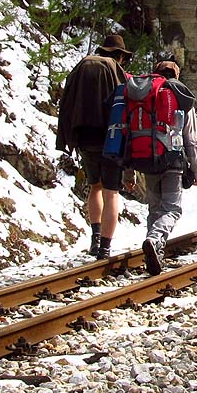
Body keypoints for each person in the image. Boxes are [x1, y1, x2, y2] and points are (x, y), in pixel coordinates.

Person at [56, 32, 132, 260]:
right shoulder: (114, 69)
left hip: (84, 137)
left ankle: (95, 237)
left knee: (95, 187)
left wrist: (69, 135)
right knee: (111, 192)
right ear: (119, 55)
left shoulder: (82, 65)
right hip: (110, 138)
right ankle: (105, 248)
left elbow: (66, 99)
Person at [140, 61, 197, 275]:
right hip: (172, 159)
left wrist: (129, 169)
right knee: (172, 209)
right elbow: (190, 138)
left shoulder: (146, 93)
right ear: (176, 73)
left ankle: (154, 251)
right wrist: (195, 168)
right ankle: (155, 240)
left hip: (146, 157)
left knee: (154, 208)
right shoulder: (180, 95)